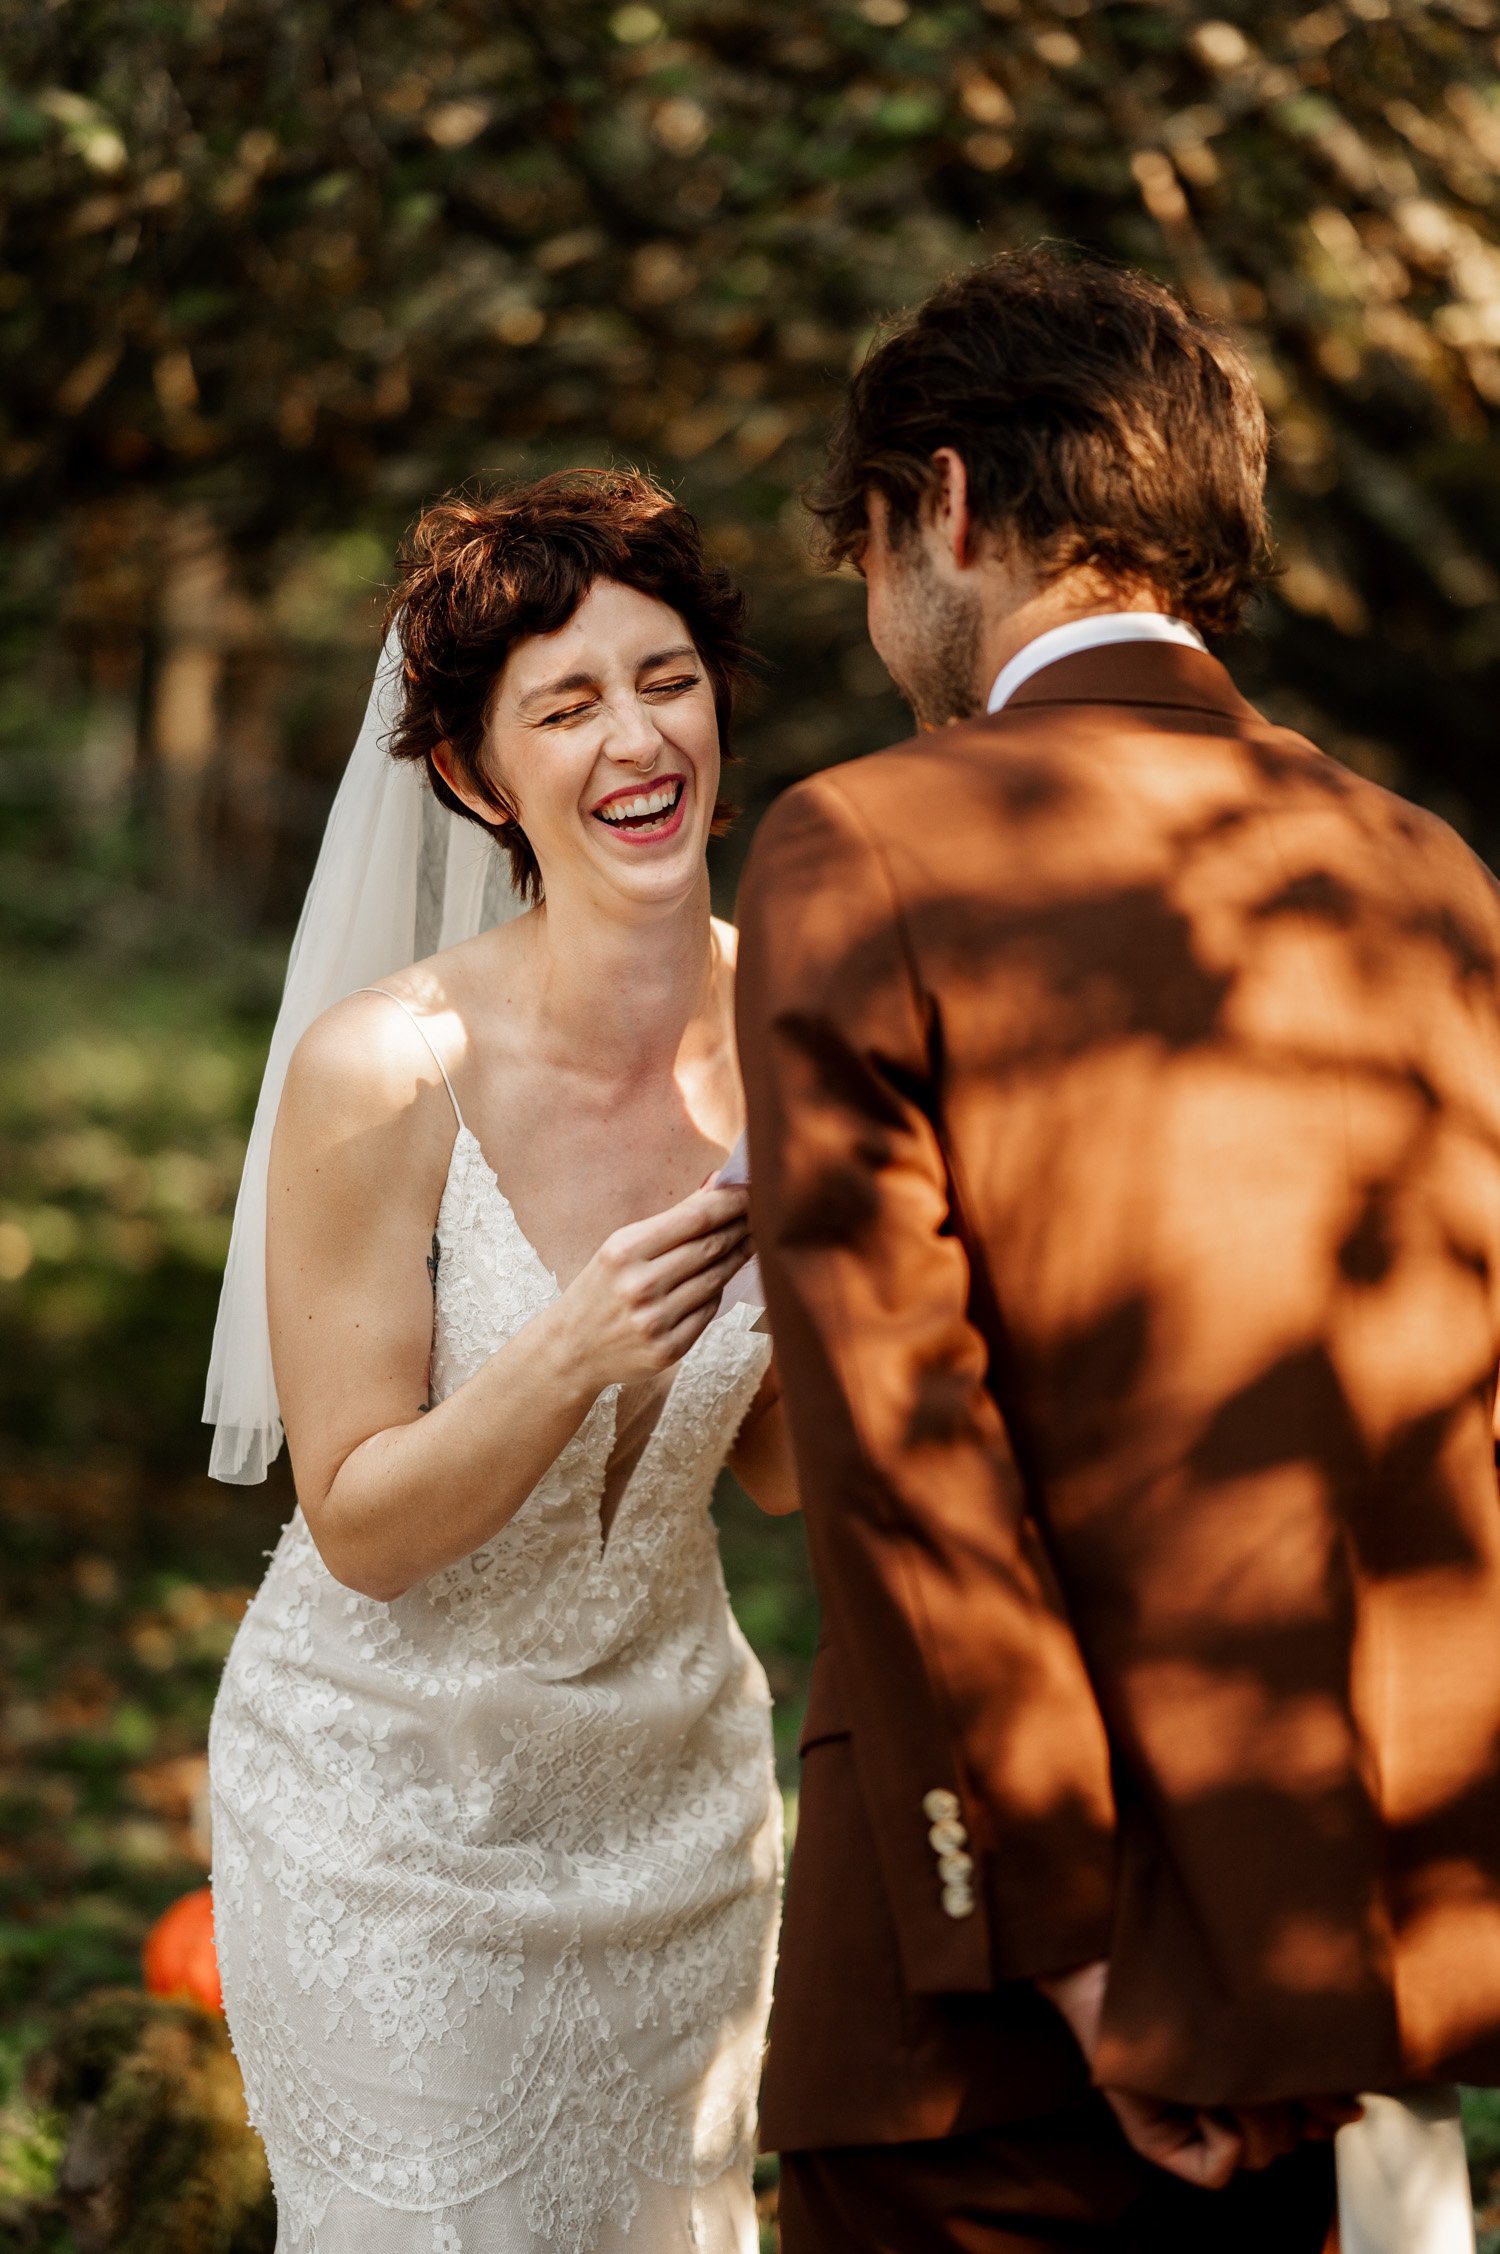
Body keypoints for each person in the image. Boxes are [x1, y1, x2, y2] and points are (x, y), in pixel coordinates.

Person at [735, 245, 1500, 2252]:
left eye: (874, 548)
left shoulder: (868, 843)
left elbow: (902, 1437)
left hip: (990, 2026)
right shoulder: (1437, 880)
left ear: (951, 503)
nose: (883, 613)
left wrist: (1074, 1947)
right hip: (1364, 1988)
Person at [204, 469, 797, 2254]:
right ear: (473, 775)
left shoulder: (805, 1019)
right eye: (570, 702)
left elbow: (776, 1471)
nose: (640, 737)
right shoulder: (386, 1067)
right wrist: (569, 1351)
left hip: (679, 1817)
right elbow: (364, 1520)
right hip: (388, 1820)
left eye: (669, 677)